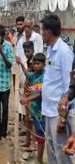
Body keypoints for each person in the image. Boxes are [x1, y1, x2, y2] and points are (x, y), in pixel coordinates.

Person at [40, 14, 73, 164]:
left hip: (57, 113)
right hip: (48, 110)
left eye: (42, 30)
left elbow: (69, 86)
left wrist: (62, 118)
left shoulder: (64, 52)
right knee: (52, 152)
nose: (41, 33)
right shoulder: (51, 50)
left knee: (62, 154)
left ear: (48, 32)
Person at [20, 53, 46, 164]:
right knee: (38, 133)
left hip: (41, 110)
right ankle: (38, 156)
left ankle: (39, 158)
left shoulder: (44, 77)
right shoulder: (35, 75)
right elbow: (27, 74)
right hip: (35, 110)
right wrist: (21, 63)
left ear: (44, 64)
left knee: (41, 135)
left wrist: (27, 99)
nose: (35, 66)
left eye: (38, 64)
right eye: (34, 64)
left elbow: (40, 94)